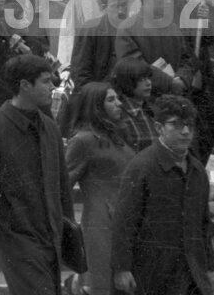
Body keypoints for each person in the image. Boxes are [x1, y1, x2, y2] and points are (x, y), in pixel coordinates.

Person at [0, 54, 74, 294]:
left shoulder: (50, 127)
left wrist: (70, 236)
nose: (51, 87)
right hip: (17, 238)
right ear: (24, 85)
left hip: (51, 235)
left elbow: (62, 187)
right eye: (45, 81)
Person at [111, 95, 214, 295]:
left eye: (189, 125)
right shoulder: (142, 167)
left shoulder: (197, 170)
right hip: (151, 272)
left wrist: (208, 265)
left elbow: (203, 224)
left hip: (190, 270)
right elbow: (124, 222)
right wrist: (121, 268)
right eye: (176, 125)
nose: (185, 131)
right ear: (159, 128)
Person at [65, 82, 136, 295]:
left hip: (124, 220)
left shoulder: (118, 136)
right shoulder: (83, 140)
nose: (119, 104)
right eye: (110, 99)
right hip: (100, 224)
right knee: (102, 286)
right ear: (95, 105)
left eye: (117, 98)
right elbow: (62, 185)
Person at [116, 0, 193, 97]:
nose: (168, 1)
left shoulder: (172, 27)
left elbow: (187, 59)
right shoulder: (127, 29)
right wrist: (170, 83)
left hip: (175, 97)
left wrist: (182, 79)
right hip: (147, 102)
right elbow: (134, 67)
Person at [57, 0, 121, 80]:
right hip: (88, 70)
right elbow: (67, 39)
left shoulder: (120, 2)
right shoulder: (77, 2)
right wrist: (66, 70)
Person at [70, 0, 131, 89]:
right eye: (115, 6)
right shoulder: (90, 30)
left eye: (124, 5)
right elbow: (80, 73)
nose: (121, 11)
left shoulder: (134, 30)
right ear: (104, 7)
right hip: (100, 96)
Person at [111, 57, 158, 153]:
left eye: (148, 77)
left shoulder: (152, 110)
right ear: (126, 80)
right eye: (141, 79)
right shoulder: (119, 112)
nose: (148, 83)